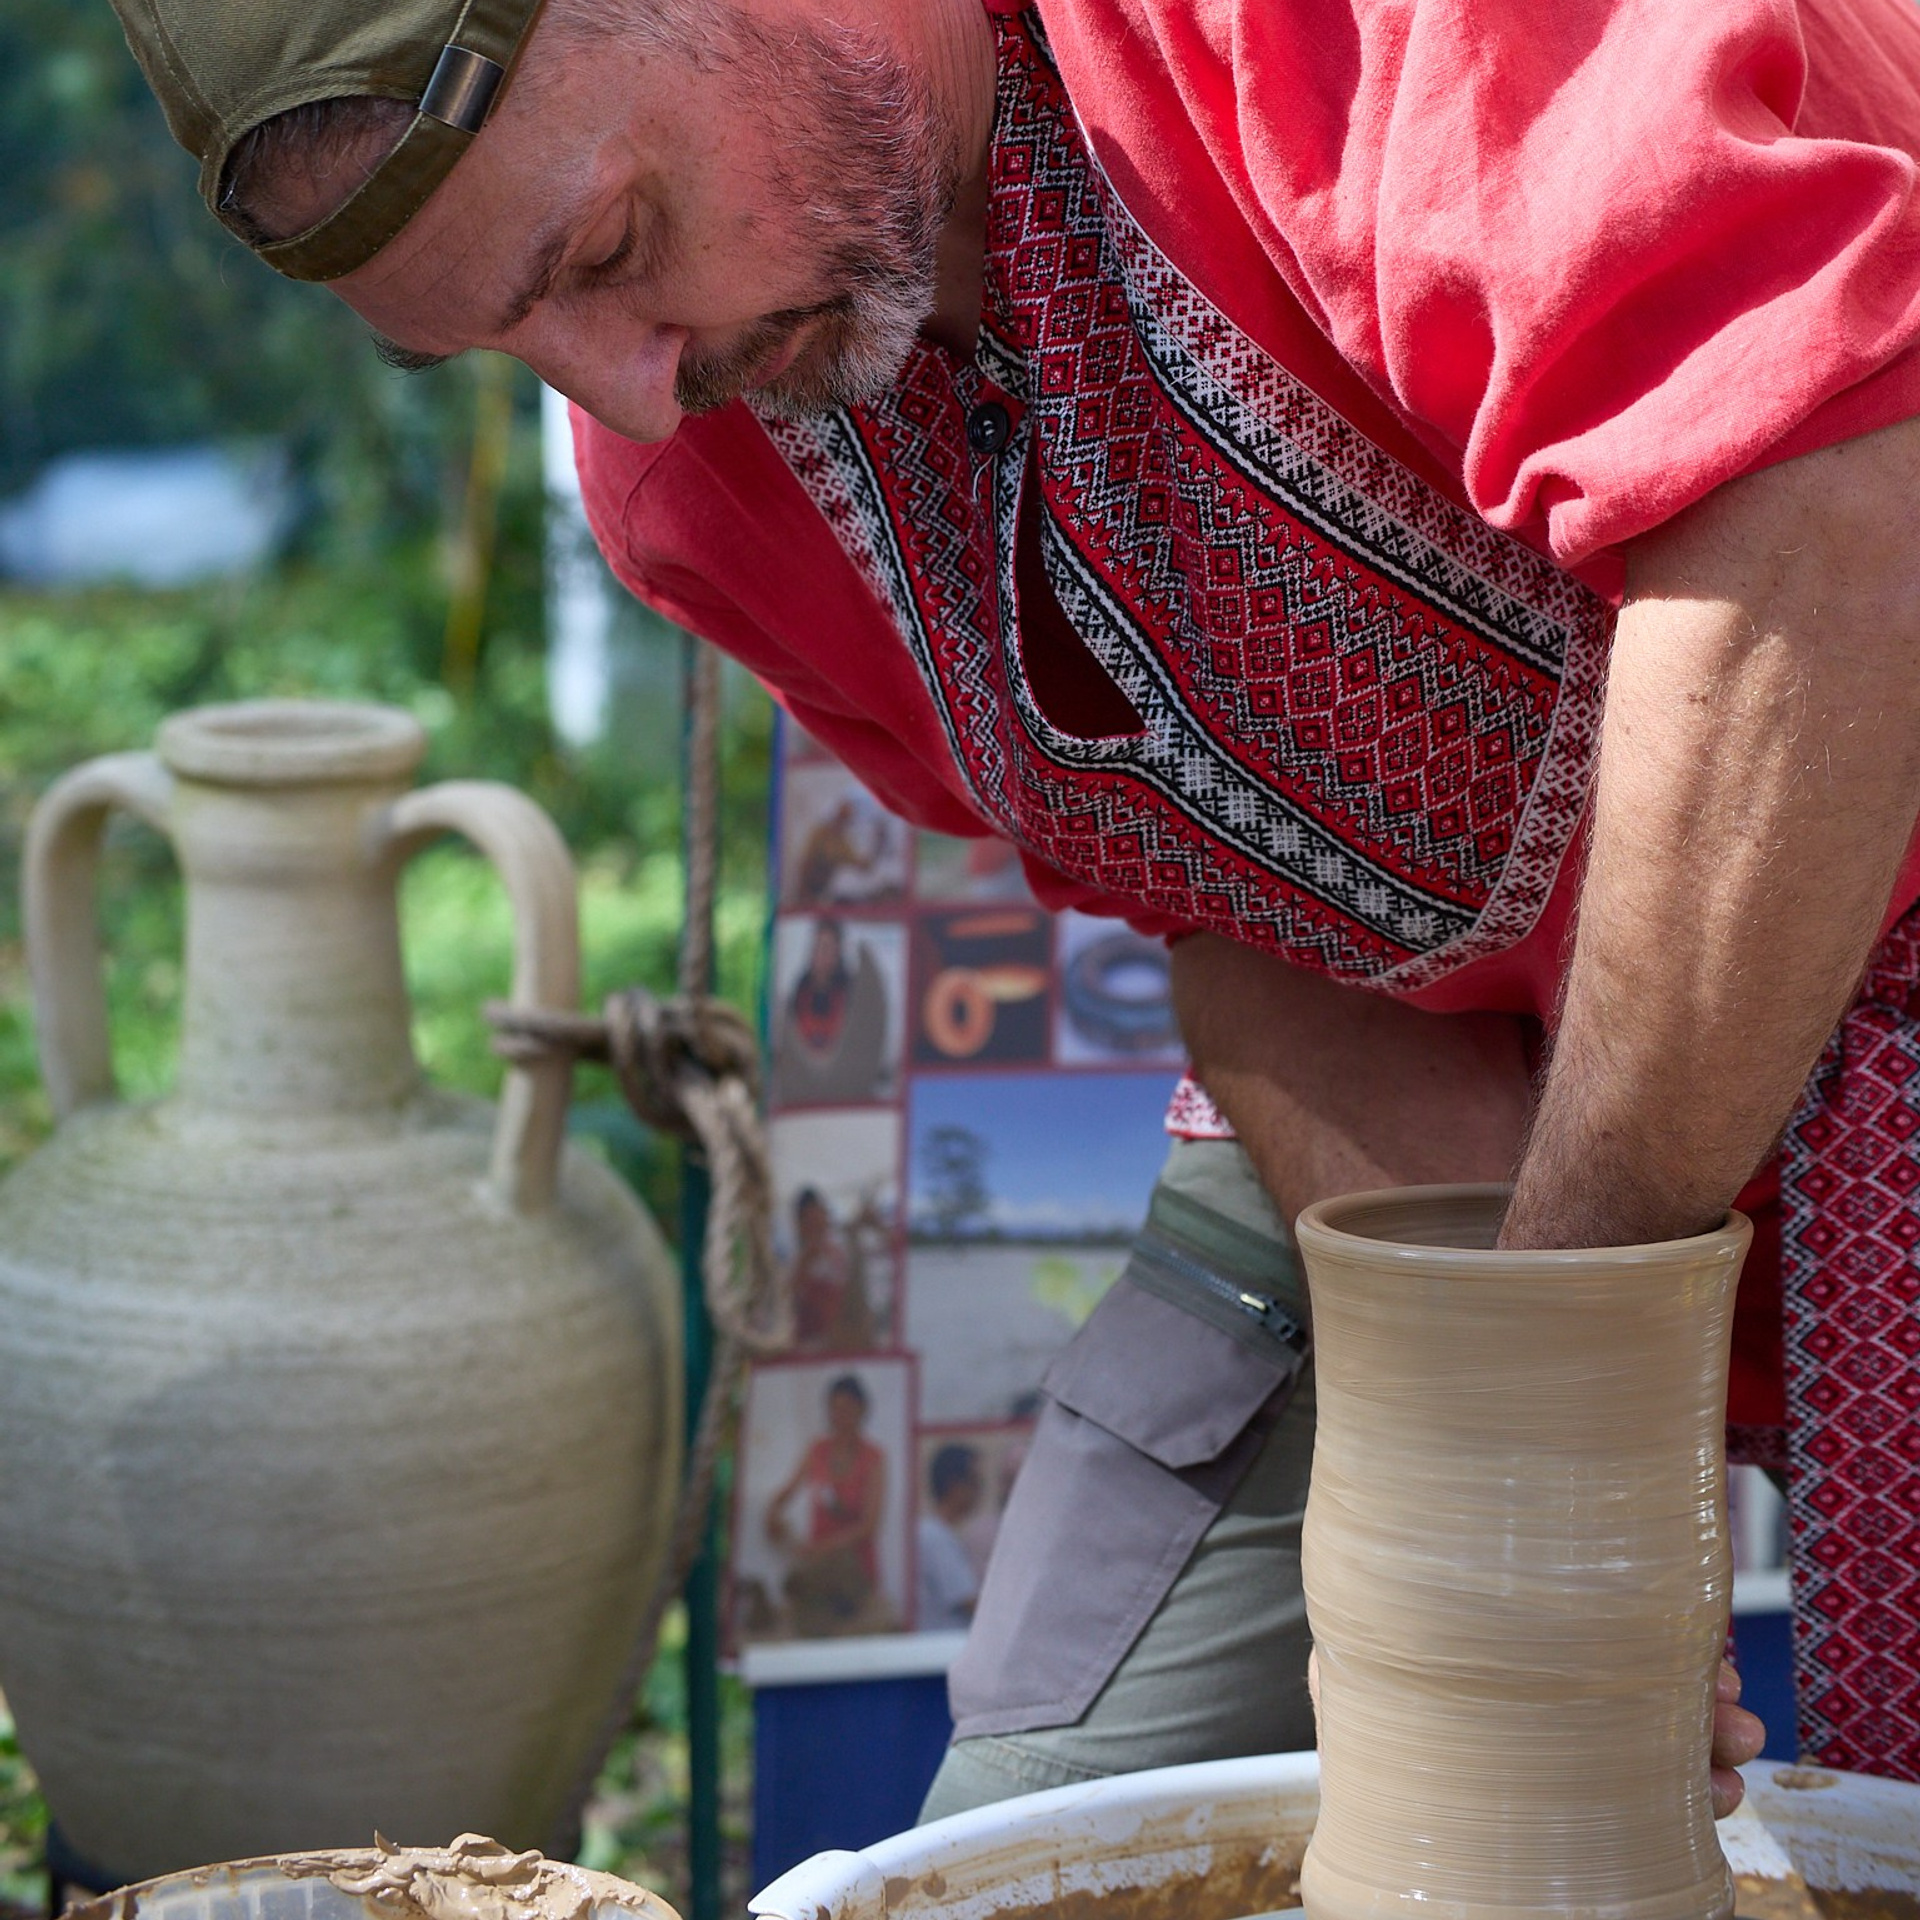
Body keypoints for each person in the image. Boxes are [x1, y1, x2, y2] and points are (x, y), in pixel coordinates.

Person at [103, 0, 1920, 1812]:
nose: (629, 390)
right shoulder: (700, 482)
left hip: (1853, 935)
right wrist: (1463, 1422)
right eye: (514, 341)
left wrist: (1554, 1387)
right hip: (1449, 1120)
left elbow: (1831, 512)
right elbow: (1238, 921)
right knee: (1038, 1825)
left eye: (606, 250)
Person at [765, 1372, 891, 1635]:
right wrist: (774, 1515)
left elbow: (869, 1525)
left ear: (862, 1409)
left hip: (853, 1571)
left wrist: (824, 1548)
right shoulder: (817, 1451)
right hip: (818, 1570)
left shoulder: (873, 1458)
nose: (839, 1415)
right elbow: (784, 1494)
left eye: (847, 1408)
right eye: (834, 1408)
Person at [916, 1443, 986, 1630]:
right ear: (954, 1485)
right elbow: (970, 1602)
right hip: (939, 1649)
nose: (980, 1491)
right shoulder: (935, 1537)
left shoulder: (941, 1534)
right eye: (975, 1482)